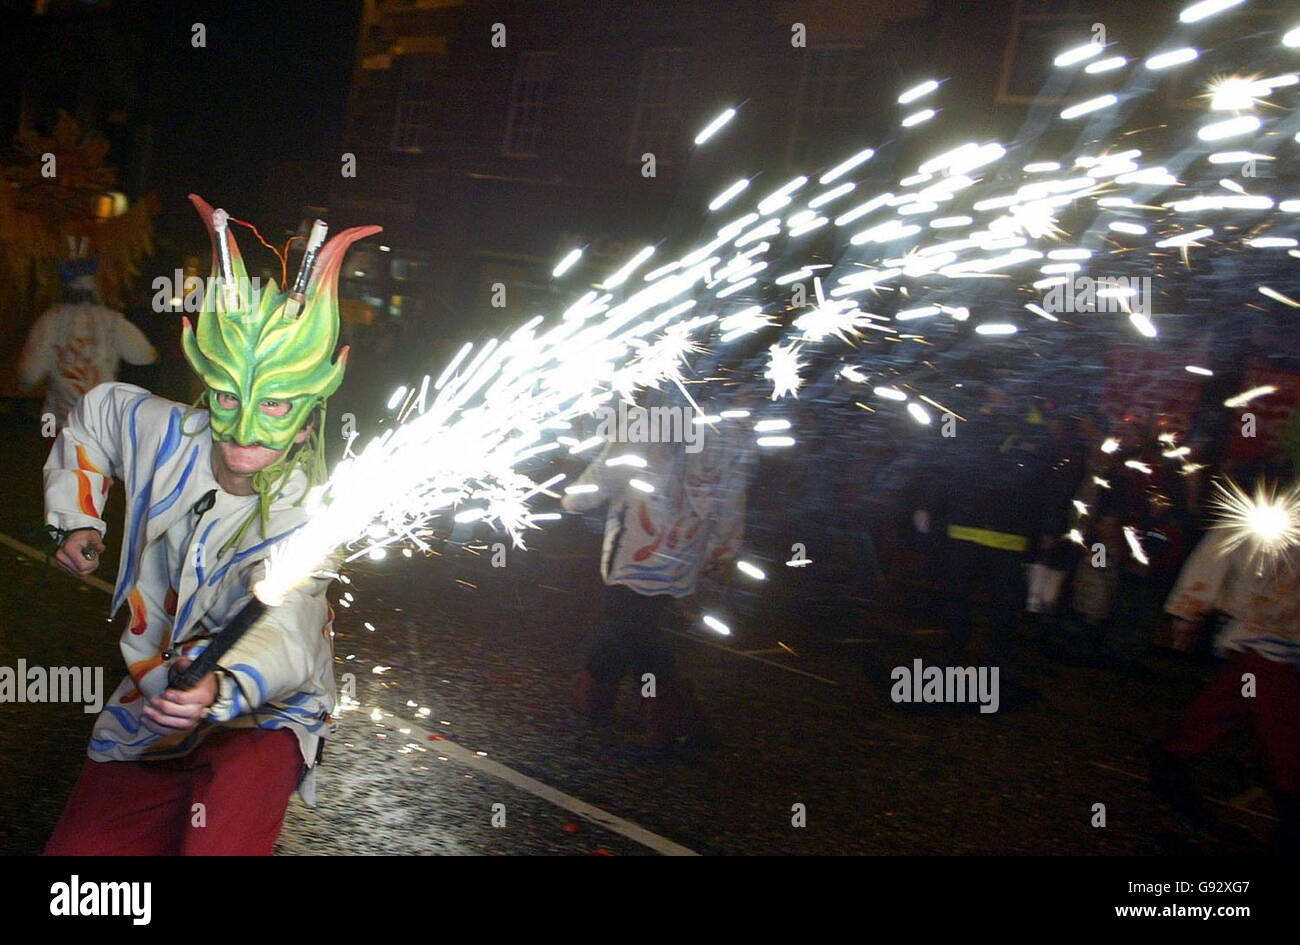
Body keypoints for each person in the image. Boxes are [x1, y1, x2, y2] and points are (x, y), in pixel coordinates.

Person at [41, 195, 380, 855]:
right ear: (209, 386)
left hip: (260, 714)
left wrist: (223, 685)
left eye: (277, 403)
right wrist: (75, 516)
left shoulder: (309, 514)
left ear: (310, 416)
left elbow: (288, 627)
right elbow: (98, 414)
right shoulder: (167, 433)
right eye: (230, 397)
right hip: (157, 695)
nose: (247, 428)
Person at [563, 390, 753, 747]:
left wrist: (577, 498)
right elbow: (733, 494)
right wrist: (722, 550)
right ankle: (594, 693)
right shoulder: (731, 421)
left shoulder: (656, 410)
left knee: (629, 622)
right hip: (685, 546)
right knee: (634, 622)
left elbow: (613, 466)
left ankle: (674, 713)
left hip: (638, 544)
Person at [1149, 523, 1300, 853]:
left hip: (1274, 631)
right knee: (1280, 724)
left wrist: (1189, 610)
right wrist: (1190, 610)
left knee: (1237, 700)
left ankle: (1173, 757)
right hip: (1270, 631)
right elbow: (1223, 547)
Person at [18, 256, 159, 429]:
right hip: (100, 420)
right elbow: (143, 355)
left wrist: (26, 384)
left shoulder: (50, 320)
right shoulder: (111, 321)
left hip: (62, 420)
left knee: (60, 454)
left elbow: (29, 374)